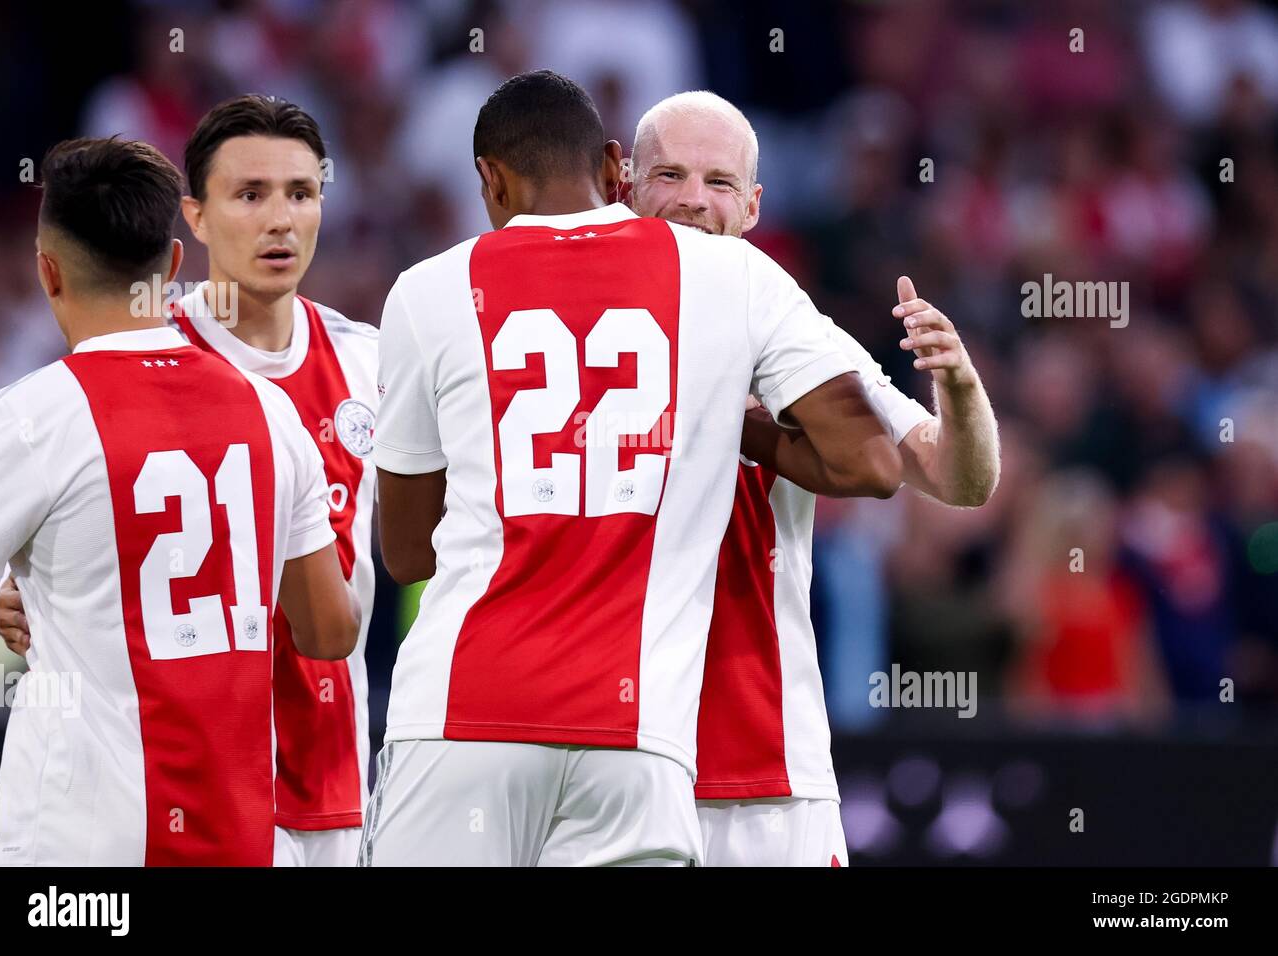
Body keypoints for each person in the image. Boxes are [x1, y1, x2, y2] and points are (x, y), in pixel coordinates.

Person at [364, 70, 901, 867]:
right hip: (638, 739)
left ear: (489, 177)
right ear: (617, 167)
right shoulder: (728, 275)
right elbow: (872, 462)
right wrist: (730, 429)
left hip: (459, 716)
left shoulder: (429, 289)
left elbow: (406, 552)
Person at [0, 95, 381, 867]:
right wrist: (23, 582)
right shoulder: (131, 357)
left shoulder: (372, 359)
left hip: (328, 780)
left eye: (301, 194)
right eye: (250, 194)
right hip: (186, 782)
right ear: (192, 223)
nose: (280, 220)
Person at [628, 90, 1001, 865]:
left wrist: (959, 388)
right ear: (625, 183)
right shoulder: (563, 326)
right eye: (670, 174)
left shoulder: (784, 325)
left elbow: (959, 480)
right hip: (608, 760)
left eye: (719, 182)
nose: (694, 200)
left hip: (766, 774)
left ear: (755, 205)